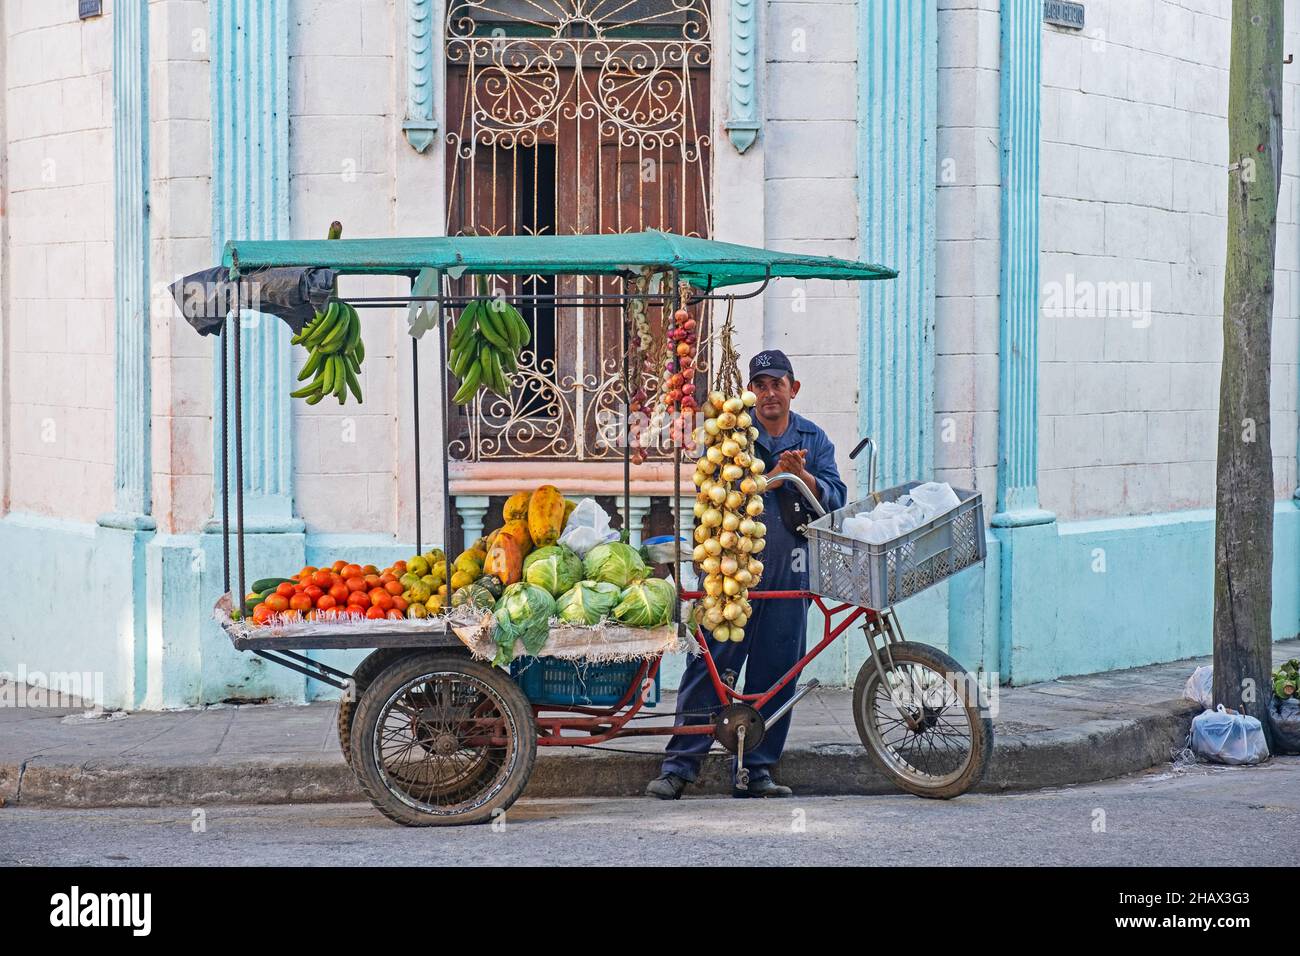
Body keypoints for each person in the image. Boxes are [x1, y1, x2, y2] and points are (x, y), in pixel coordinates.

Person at [646, 349, 847, 799]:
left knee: (777, 674)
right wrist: (773, 476)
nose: (769, 393)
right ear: (751, 392)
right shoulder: (732, 431)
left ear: (793, 389)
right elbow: (712, 490)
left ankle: (757, 770)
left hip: (790, 578)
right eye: (760, 385)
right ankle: (680, 767)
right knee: (711, 668)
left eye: (777, 383)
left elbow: (836, 498)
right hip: (728, 573)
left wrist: (807, 479)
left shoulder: (814, 440)